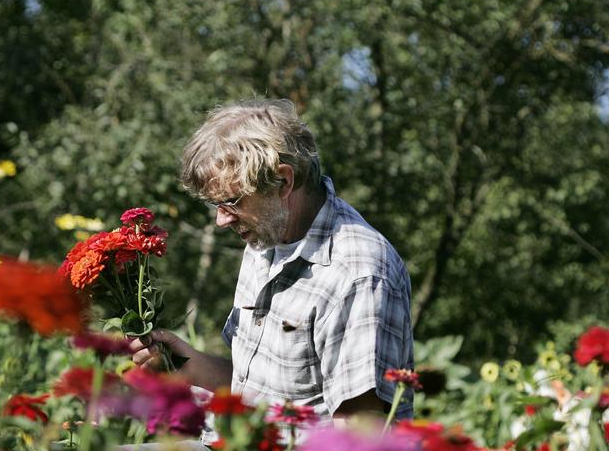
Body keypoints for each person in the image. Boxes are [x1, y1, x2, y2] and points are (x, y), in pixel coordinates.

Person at [130, 98, 413, 421]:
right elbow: (258, 390)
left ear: (283, 181)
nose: (221, 220)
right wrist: (187, 363)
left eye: (231, 202)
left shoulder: (358, 273)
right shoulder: (267, 235)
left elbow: (361, 438)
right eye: (215, 205)